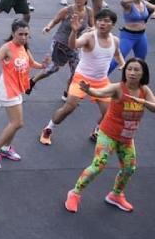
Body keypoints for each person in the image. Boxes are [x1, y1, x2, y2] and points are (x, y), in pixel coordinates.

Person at [64, 59, 153, 214]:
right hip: (108, 134)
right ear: (124, 71)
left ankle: (115, 195)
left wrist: (143, 102)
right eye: (129, 69)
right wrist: (89, 90)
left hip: (126, 138)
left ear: (143, 73)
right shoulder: (118, 88)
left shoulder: (144, 90)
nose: (132, 73)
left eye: (136, 70)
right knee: (99, 164)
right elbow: (100, 92)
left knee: (129, 168)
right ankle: (75, 193)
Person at [40, 9, 124, 146]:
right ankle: (49, 128)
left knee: (108, 112)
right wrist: (74, 31)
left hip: (101, 81)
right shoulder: (90, 37)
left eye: (106, 21)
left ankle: (97, 130)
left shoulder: (115, 40)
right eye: (100, 20)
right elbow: (73, 45)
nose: (102, 23)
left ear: (112, 25)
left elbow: (117, 53)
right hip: (82, 79)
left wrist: (123, 63)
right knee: (69, 108)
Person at [0, 20, 48, 169]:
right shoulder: (7, 47)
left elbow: (32, 63)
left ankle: (5, 149)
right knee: (17, 123)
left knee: (16, 124)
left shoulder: (24, 47)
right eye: (20, 34)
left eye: (26, 34)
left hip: (17, 89)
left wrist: (43, 65)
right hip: (7, 89)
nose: (24, 37)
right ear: (13, 33)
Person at [29, 0, 93, 94]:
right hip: (60, 43)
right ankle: (32, 81)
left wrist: (93, 29)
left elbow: (92, 25)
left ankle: (68, 93)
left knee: (76, 71)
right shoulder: (67, 10)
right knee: (53, 69)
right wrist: (48, 27)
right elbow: (55, 20)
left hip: (75, 45)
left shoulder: (89, 11)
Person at [114, 0, 154, 70]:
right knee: (116, 60)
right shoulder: (128, 4)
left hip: (141, 36)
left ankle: (137, 82)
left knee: (140, 62)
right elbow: (122, 1)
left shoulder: (144, 3)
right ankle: (99, 79)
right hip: (128, 36)